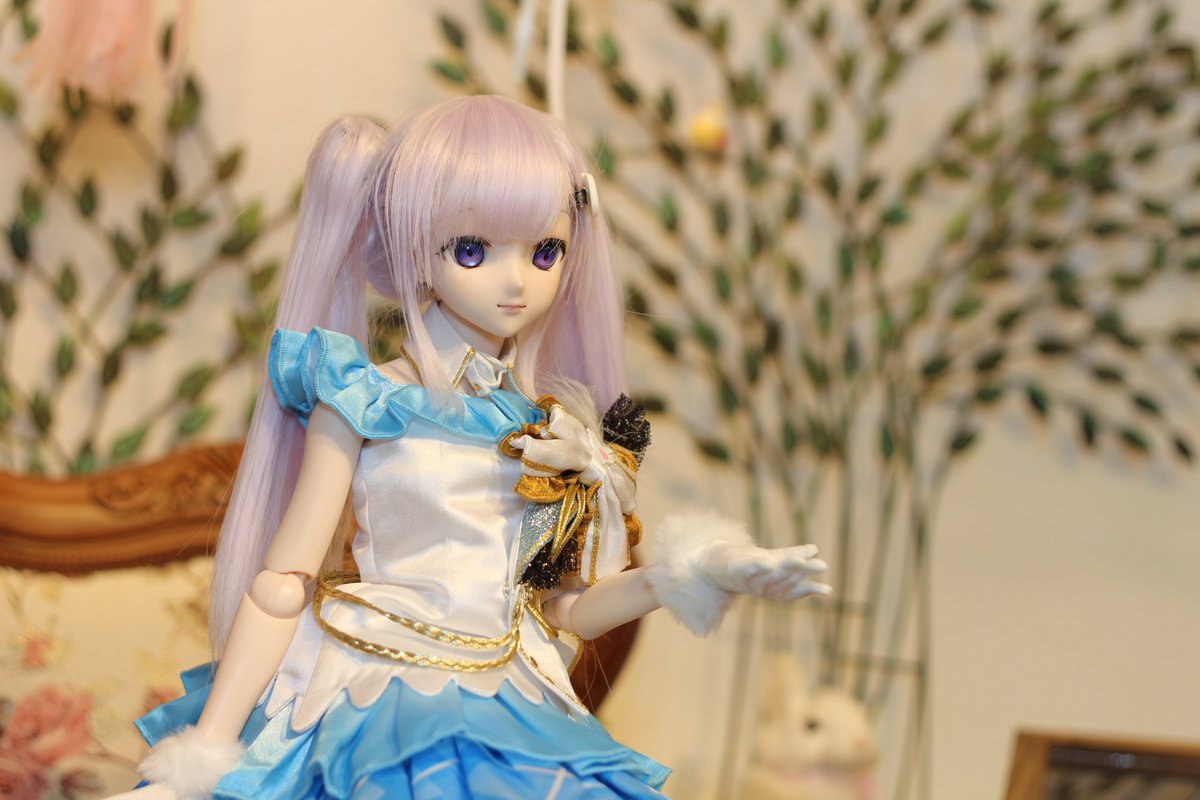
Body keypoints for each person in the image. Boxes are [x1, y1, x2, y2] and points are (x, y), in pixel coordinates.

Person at [115, 95, 830, 800]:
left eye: (545, 252)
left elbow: (566, 610)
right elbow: (282, 585)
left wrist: (694, 569)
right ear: (416, 249)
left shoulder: (551, 434)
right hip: (377, 681)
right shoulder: (365, 397)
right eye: (472, 250)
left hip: (510, 690)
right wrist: (202, 756)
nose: (516, 281)